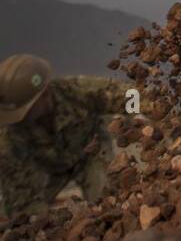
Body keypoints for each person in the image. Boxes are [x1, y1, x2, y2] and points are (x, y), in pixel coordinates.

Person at [0, 54, 128, 218]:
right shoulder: (9, 139)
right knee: (20, 219)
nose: (18, 118)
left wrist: (154, 114)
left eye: (23, 110)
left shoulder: (77, 90)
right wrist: (61, 222)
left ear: (45, 93)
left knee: (107, 199)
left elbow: (128, 97)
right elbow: (22, 200)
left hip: (91, 153)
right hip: (46, 169)